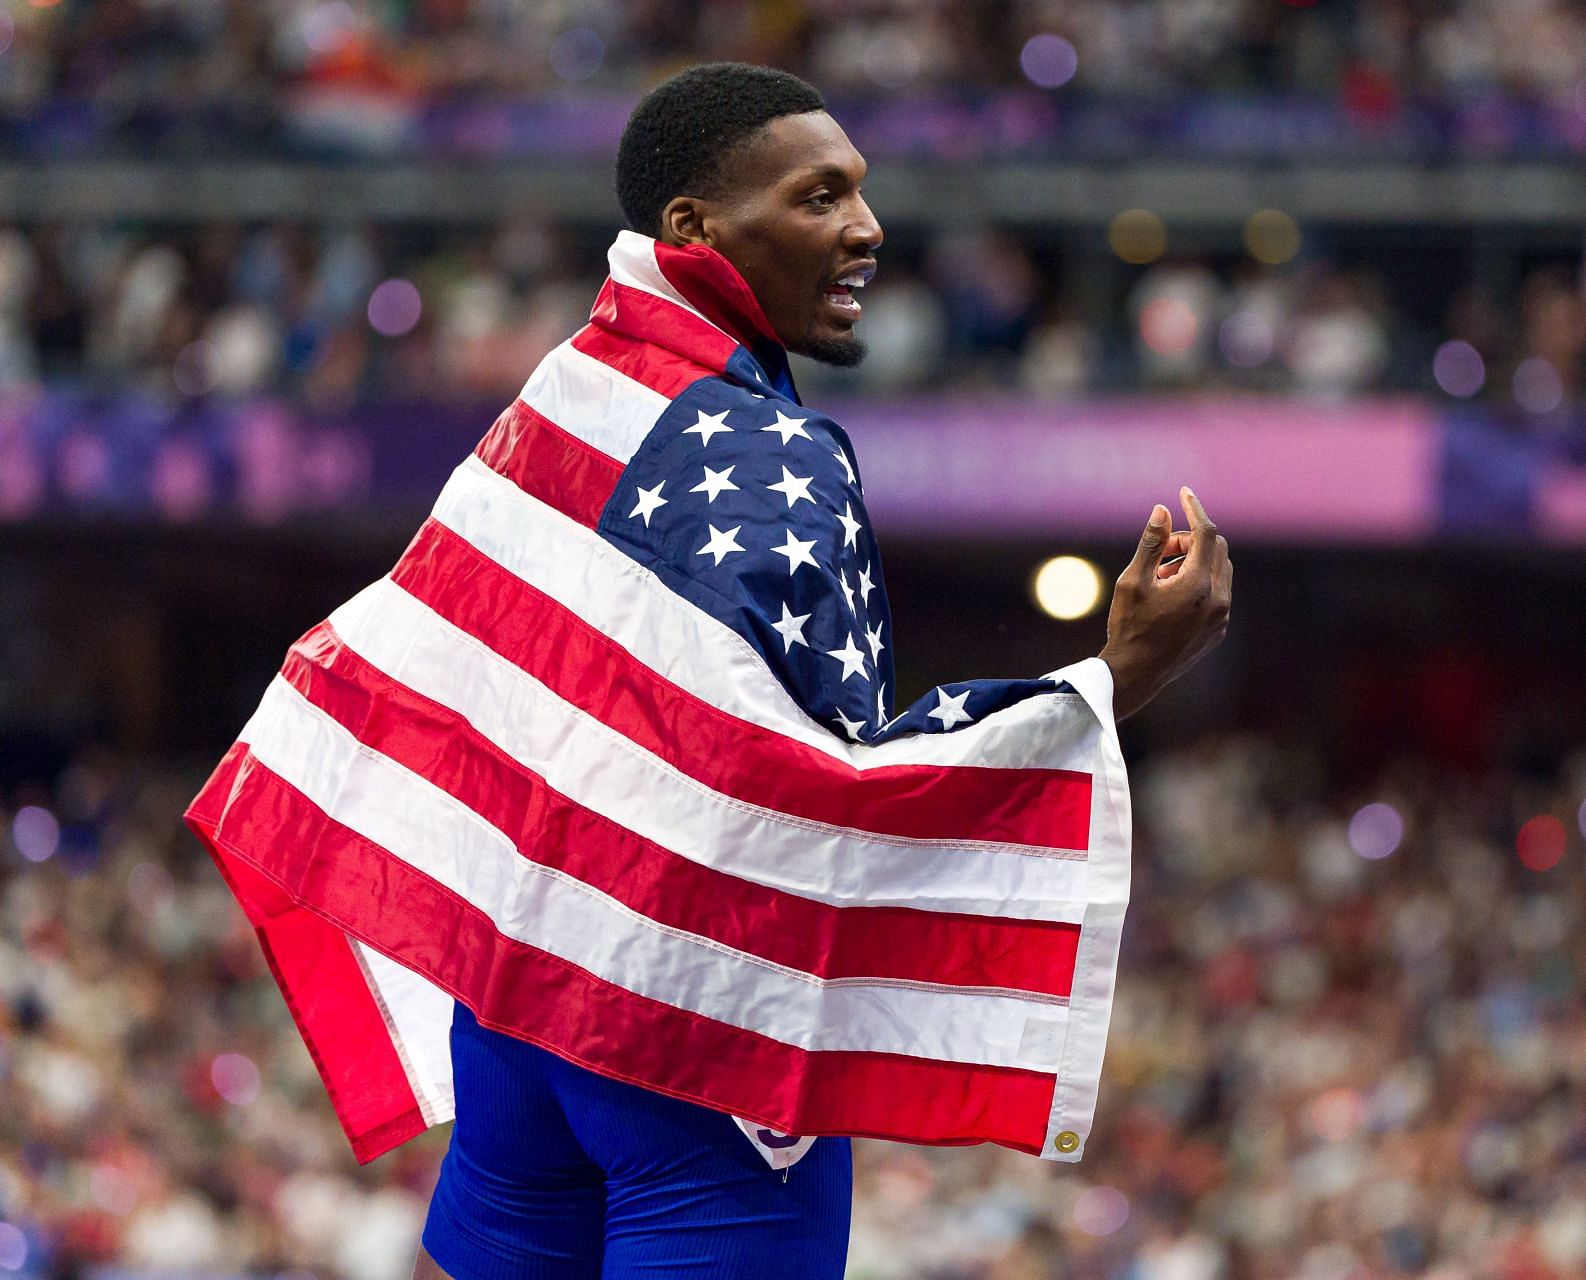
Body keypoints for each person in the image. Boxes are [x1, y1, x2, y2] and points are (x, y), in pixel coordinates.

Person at [185, 61, 1227, 1280]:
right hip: (691, 1039)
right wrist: (1116, 675)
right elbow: (831, 799)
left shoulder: (569, 388)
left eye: (862, 192)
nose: (867, 227)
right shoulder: (780, 452)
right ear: (695, 228)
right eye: (819, 196)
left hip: (514, 1018)